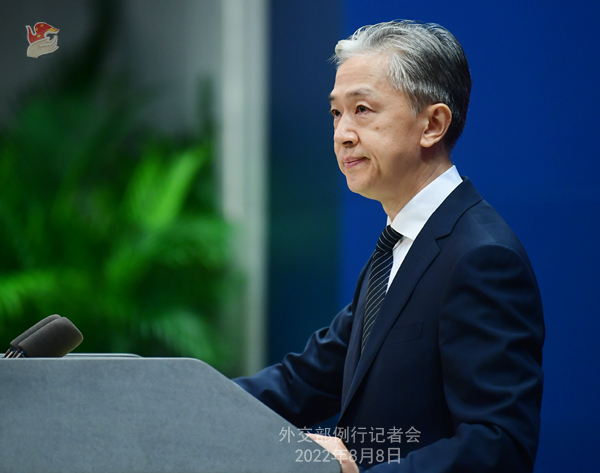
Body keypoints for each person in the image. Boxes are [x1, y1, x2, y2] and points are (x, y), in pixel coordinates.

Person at [235, 20, 544, 473]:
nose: (342, 133)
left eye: (362, 109)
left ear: (432, 124)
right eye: (336, 113)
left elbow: (500, 446)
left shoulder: (482, 258)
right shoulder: (399, 246)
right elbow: (305, 380)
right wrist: (182, 401)